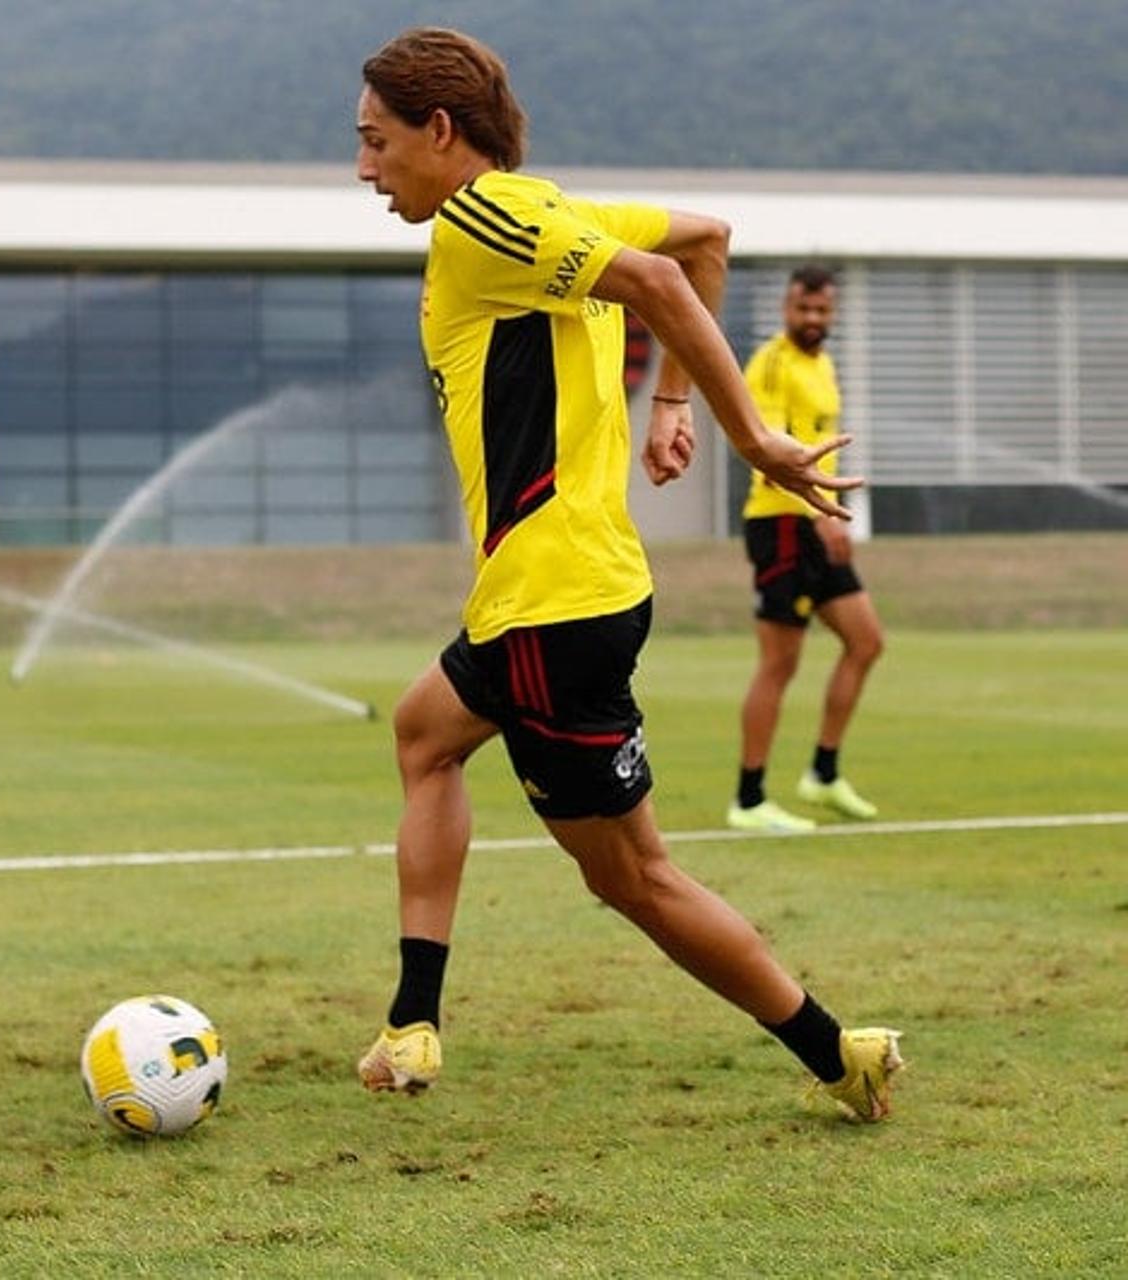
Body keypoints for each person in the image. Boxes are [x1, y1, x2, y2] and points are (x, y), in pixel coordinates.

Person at [351, 27, 902, 1122]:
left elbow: (661, 275)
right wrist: (671, 406)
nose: (365, 167)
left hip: (555, 610)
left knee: (633, 878)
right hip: (551, 598)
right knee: (424, 733)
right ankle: (413, 1021)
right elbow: (709, 235)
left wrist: (749, 440)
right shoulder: (552, 212)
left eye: (376, 141)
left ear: (441, 132)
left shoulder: (484, 214)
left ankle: (839, 1048)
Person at [727, 265, 884, 832]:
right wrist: (822, 518)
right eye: (803, 310)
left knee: (866, 642)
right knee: (780, 663)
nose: (813, 320)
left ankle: (822, 771)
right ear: (786, 309)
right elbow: (770, 454)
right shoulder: (771, 363)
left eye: (822, 311)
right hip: (785, 526)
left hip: (817, 523)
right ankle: (748, 799)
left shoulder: (823, 363)